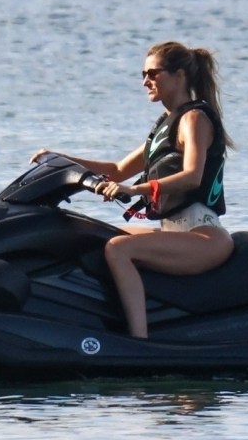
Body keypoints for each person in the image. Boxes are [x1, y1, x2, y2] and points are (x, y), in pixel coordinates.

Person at [30, 40, 235, 338]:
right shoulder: (166, 125)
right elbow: (116, 170)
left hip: (203, 236)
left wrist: (136, 190)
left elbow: (192, 176)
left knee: (118, 249)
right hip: (174, 231)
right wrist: (59, 160)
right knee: (95, 235)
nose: (145, 81)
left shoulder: (194, 119)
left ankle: (138, 340)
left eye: (153, 73)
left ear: (179, 75)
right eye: (143, 74)